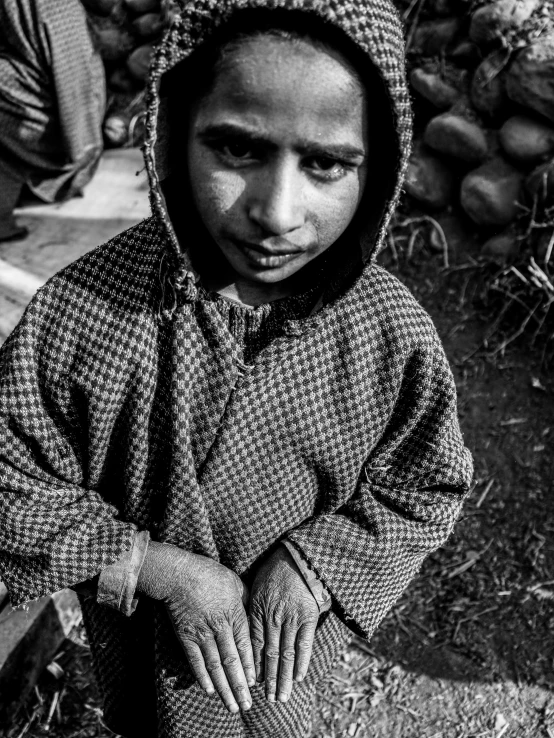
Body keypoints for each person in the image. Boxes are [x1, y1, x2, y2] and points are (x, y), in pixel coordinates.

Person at [0, 0, 474, 736]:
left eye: (326, 163)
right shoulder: (85, 315)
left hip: (290, 661)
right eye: (238, 150)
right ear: (172, 130)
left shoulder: (390, 336)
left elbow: (426, 482)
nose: (277, 213)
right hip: (150, 668)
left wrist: (317, 567)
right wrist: (156, 568)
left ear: (377, 169)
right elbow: (11, 475)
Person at [0, 0, 105, 242]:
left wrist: (81, 145)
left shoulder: (55, 7)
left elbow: (74, 76)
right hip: (50, 107)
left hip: (56, 122)